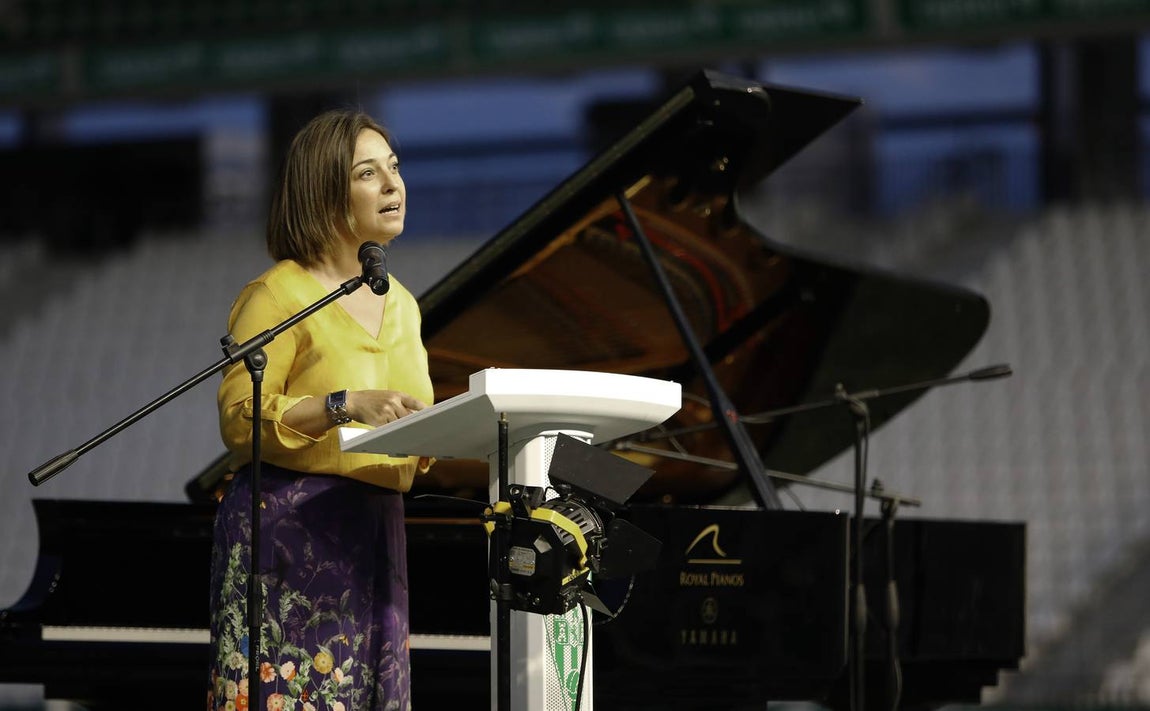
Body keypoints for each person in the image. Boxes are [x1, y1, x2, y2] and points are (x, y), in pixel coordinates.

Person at [207, 109, 433, 711]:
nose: (393, 185)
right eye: (368, 173)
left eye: (395, 168)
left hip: (378, 527)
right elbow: (240, 419)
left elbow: (418, 428)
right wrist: (344, 405)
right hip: (290, 532)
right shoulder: (278, 294)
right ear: (325, 192)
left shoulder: (404, 305)